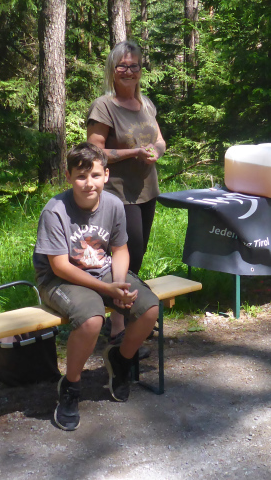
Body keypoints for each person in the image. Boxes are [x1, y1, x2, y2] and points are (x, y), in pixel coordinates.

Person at [33, 142, 160, 431]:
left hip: (102, 271)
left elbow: (120, 250)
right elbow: (59, 266)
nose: (89, 183)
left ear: (106, 175)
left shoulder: (113, 204)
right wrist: (107, 290)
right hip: (58, 279)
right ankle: (71, 386)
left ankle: (120, 359)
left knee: (149, 309)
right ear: (69, 177)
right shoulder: (55, 211)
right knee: (92, 320)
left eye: (95, 175)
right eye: (81, 176)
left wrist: (118, 283)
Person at [86, 40, 166, 345]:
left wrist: (156, 151)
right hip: (118, 193)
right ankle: (117, 324)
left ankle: (127, 312)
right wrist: (133, 152)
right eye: (122, 66)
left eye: (134, 66)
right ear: (112, 69)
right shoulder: (104, 106)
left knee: (139, 253)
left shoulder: (146, 104)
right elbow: (94, 152)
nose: (129, 71)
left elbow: (160, 140)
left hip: (147, 189)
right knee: (125, 255)